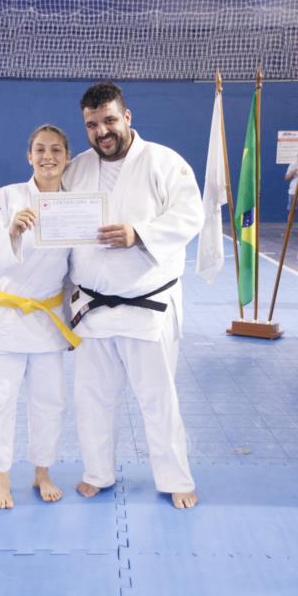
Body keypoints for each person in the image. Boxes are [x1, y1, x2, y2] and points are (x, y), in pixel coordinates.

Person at [63, 82, 204, 509]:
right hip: (92, 308)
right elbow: (60, 230)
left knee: (158, 400)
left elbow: (191, 215)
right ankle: (97, 473)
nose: (102, 131)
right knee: (92, 400)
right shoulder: (76, 169)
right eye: (92, 125)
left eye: (109, 120)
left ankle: (176, 478)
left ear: (127, 117)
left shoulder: (164, 162)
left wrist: (138, 233)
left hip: (147, 305)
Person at [0, 124, 80, 509]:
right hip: (5, 318)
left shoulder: (75, 206)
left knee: (50, 401)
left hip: (47, 320)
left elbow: (77, 268)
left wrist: (75, 318)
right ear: (29, 156)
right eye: (40, 149)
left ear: (67, 157)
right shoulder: (6, 197)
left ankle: (42, 472)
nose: (48, 156)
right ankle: (0, 478)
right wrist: (12, 232)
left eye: (56, 150)